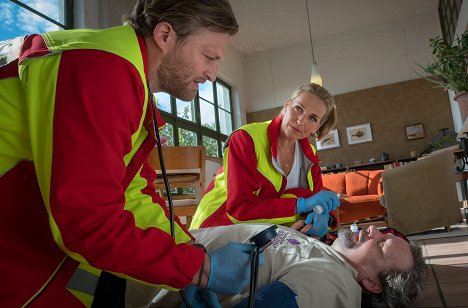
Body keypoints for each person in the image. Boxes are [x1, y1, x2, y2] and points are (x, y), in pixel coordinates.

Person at [0, 0, 257, 306]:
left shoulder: (123, 79)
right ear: (165, 36)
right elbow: (87, 223)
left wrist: (192, 257)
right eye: (208, 57)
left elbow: (134, 194)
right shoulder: (101, 70)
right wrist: (198, 270)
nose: (212, 74)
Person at [132, 223, 426, 308]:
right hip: (142, 253)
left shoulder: (332, 282)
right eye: (384, 232)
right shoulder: (325, 255)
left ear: (373, 284)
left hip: (129, 280)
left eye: (382, 244)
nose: (374, 230)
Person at [190, 83, 341, 237]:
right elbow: (239, 209)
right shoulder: (246, 139)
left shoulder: (310, 156)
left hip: (265, 234)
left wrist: (323, 216)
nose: (301, 120)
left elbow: (315, 201)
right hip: (215, 229)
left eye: (312, 118)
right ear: (287, 105)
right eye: (299, 108)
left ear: (317, 127)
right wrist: (300, 205)